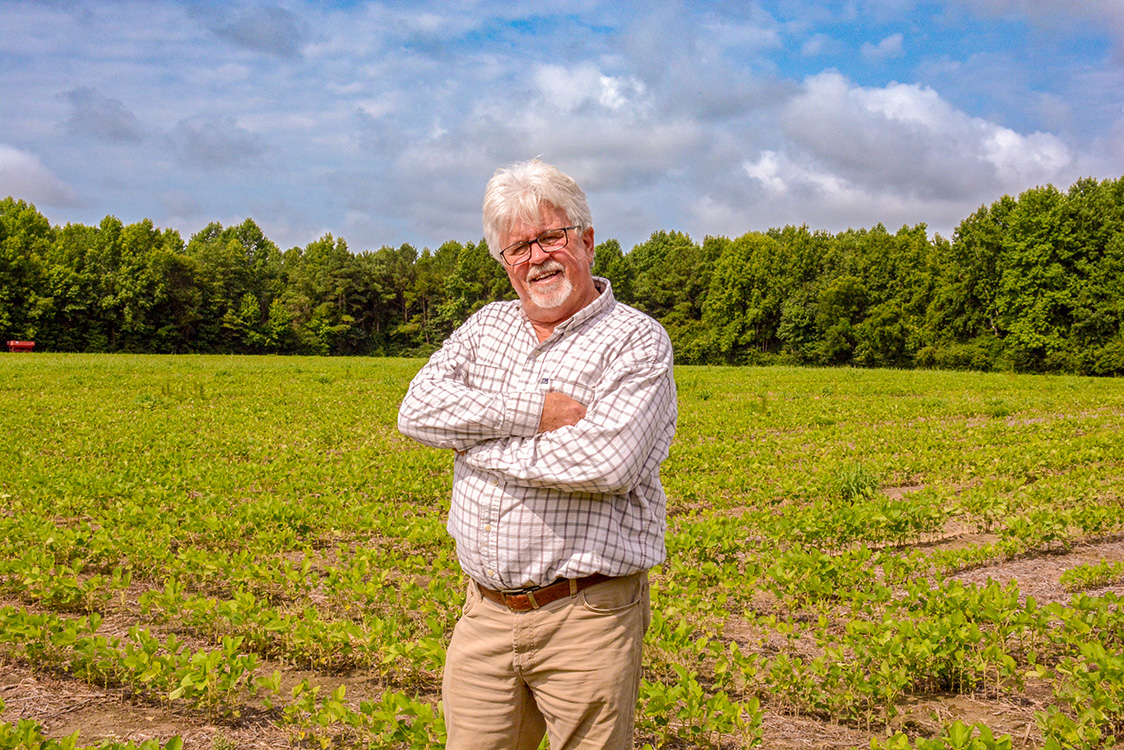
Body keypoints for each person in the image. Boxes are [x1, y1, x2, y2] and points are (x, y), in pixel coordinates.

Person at [397, 158, 677, 750]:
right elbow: (417, 410)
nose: (537, 257)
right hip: (485, 615)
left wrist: (474, 446)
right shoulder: (486, 327)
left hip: (586, 617)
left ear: (587, 240)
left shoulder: (635, 338)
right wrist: (535, 413)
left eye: (551, 236)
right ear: (504, 262)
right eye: (518, 246)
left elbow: (606, 463)